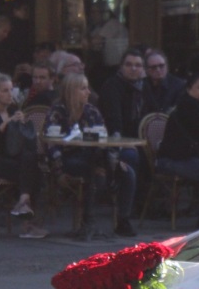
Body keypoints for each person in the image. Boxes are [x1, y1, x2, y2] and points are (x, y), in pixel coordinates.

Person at [48, 72, 138, 238]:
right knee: (93, 171)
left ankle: (123, 220)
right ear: (71, 91)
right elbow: (52, 144)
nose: (88, 92)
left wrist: (114, 160)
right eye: (83, 89)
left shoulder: (92, 111)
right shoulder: (58, 112)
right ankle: (88, 222)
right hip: (70, 158)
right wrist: (58, 171)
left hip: (95, 156)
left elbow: (102, 136)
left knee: (128, 173)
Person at [0, 73, 47, 239]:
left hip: (9, 157)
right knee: (26, 170)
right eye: (5, 90)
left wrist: (21, 123)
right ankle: (28, 224)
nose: (9, 94)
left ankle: (24, 204)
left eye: (11, 90)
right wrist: (6, 123)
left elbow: (19, 142)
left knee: (35, 169)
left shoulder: (13, 110)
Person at [156, 75, 199, 229]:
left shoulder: (195, 106)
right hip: (172, 160)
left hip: (186, 156)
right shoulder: (189, 105)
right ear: (189, 89)